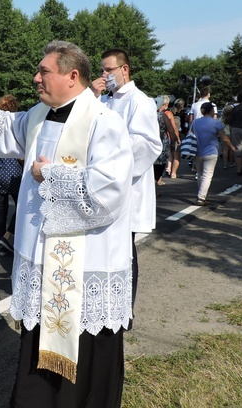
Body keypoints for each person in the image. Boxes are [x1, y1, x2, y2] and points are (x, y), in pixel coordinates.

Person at [0, 41, 134, 408]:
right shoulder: (38, 114)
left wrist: (47, 174)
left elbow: (109, 190)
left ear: (72, 76)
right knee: (38, 336)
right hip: (41, 255)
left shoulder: (104, 122)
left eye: (44, 72)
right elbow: (7, 129)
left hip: (84, 262)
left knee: (85, 343)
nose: (36, 78)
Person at [91, 49, 162, 315]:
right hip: (102, 185)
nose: (105, 75)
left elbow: (147, 144)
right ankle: (103, 302)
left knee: (125, 251)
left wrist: (111, 159)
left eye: (109, 70)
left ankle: (124, 310)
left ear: (125, 69)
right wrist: (93, 97)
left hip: (126, 188)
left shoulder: (140, 101)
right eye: (102, 70)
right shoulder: (104, 101)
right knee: (104, 248)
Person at [0, 95, 23, 256]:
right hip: (14, 172)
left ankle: (1, 243)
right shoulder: (15, 124)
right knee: (21, 205)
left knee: (1, 210)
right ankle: (10, 236)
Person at [192, 102, 236, 206]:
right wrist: (232, 147)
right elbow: (224, 137)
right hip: (211, 151)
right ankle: (201, 197)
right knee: (208, 175)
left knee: (200, 174)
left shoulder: (195, 122)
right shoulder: (216, 123)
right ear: (211, 111)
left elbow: (192, 134)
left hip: (197, 151)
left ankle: (202, 194)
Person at [153, 96, 179, 188]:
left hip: (149, 142)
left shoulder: (147, 114)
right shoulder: (163, 115)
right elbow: (171, 130)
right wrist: (173, 142)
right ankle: (155, 185)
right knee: (160, 165)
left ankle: (151, 187)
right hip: (161, 142)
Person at [169, 98, 186, 178]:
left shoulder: (170, 112)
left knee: (170, 153)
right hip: (178, 135)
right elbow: (183, 126)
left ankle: (168, 168)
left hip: (169, 135)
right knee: (177, 154)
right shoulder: (182, 114)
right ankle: (173, 173)